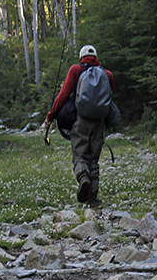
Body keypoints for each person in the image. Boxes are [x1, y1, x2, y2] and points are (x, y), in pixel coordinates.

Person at [45, 45, 115, 207]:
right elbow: (110, 99)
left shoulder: (76, 70)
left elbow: (63, 95)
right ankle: (93, 198)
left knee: (80, 155)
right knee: (94, 159)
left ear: (81, 57)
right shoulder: (107, 74)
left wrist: (51, 116)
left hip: (81, 120)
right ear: (96, 57)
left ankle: (83, 178)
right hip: (99, 121)